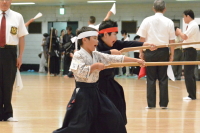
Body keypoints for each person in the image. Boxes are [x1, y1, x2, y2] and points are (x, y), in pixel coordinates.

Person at [53, 26, 146, 133]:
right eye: (94, 38)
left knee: (114, 116)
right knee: (79, 125)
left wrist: (136, 60)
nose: (97, 41)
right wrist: (94, 66)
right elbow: (78, 72)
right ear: (84, 40)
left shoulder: (95, 54)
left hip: (96, 92)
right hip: (83, 93)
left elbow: (114, 58)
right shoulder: (78, 55)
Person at [96, 19, 156, 124]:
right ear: (105, 34)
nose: (116, 38)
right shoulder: (96, 45)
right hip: (96, 85)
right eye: (114, 34)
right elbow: (95, 56)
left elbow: (127, 43)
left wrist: (145, 44)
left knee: (118, 100)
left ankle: (118, 125)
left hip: (109, 82)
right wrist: (110, 53)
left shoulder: (113, 43)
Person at [137, 0, 175, 109]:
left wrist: (141, 52)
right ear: (165, 9)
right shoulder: (169, 22)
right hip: (163, 51)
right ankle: (163, 104)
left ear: (153, 8)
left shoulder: (146, 20)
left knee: (151, 78)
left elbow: (142, 39)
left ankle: (151, 104)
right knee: (163, 78)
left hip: (150, 51)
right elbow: (172, 41)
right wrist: (172, 54)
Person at [0, 0, 28, 121]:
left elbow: (21, 37)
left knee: (8, 83)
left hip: (10, 52)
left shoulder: (17, 16)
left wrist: (20, 56)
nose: (5, 1)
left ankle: (8, 113)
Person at [176, 9, 200, 100]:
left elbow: (185, 36)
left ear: (188, 16)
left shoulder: (193, 25)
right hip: (189, 50)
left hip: (190, 51)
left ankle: (191, 95)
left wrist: (179, 32)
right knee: (190, 73)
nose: (183, 19)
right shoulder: (191, 25)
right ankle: (192, 94)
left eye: (184, 17)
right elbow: (186, 39)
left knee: (188, 73)